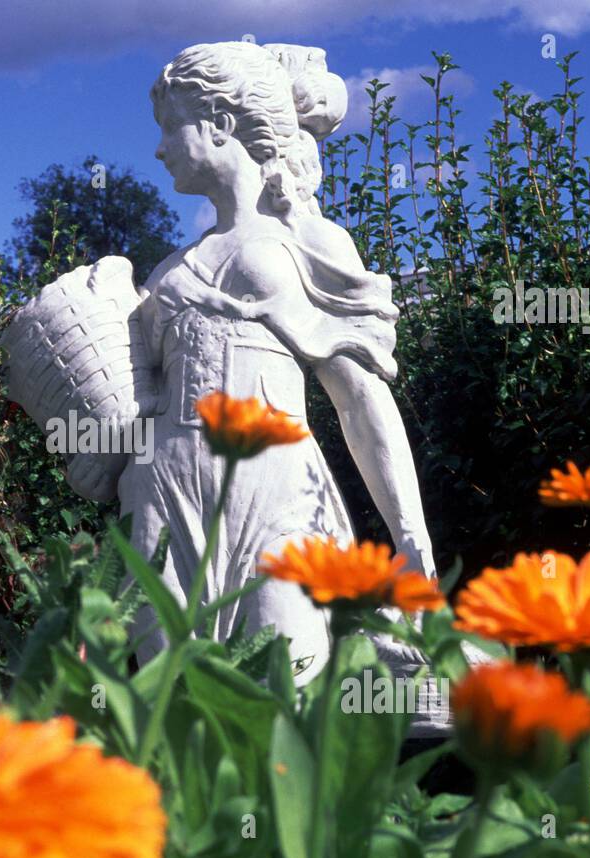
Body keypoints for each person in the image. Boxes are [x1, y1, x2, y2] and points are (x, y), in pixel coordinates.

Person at [121, 41, 436, 688]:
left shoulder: (307, 240)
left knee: (288, 686)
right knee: (168, 710)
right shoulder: (166, 271)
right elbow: (134, 404)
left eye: (168, 127)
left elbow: (359, 398)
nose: (159, 149)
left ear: (219, 123)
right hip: (168, 492)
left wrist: (412, 538)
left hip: (277, 491)